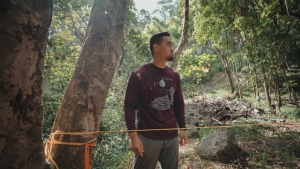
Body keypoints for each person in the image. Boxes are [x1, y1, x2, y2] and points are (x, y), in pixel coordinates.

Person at [124, 32, 188, 169]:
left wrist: (182, 128)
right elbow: (129, 106)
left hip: (171, 137)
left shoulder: (174, 75)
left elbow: (178, 103)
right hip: (147, 138)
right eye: (168, 44)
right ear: (156, 47)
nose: (172, 48)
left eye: (172, 45)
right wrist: (133, 135)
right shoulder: (139, 74)